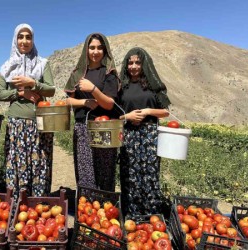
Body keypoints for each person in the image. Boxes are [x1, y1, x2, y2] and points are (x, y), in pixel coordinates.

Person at [0, 23, 55, 199]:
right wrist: (19, 92)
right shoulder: (7, 66)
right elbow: (0, 93)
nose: (24, 41)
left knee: (40, 165)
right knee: (16, 166)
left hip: (40, 123)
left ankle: (39, 206)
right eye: (20, 37)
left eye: (28, 37)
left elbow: (51, 89)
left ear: (33, 40)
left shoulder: (43, 63)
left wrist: (32, 83)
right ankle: (18, 207)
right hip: (16, 124)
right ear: (15, 40)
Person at [118, 47, 172, 216]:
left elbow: (166, 112)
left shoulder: (153, 86)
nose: (133, 66)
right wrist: (128, 116)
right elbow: (116, 115)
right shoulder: (122, 87)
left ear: (144, 64)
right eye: (130, 63)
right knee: (129, 176)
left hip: (149, 135)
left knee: (149, 174)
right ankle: (131, 215)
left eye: (138, 63)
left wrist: (148, 111)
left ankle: (151, 215)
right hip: (128, 135)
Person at [64, 33, 120, 192]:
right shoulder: (78, 73)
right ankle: (86, 208)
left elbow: (109, 104)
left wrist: (93, 89)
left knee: (105, 172)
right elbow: (68, 101)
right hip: (82, 128)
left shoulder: (109, 73)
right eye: (92, 47)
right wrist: (84, 102)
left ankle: (106, 208)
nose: (95, 51)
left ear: (105, 50)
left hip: (104, 128)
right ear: (86, 50)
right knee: (85, 172)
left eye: (99, 48)